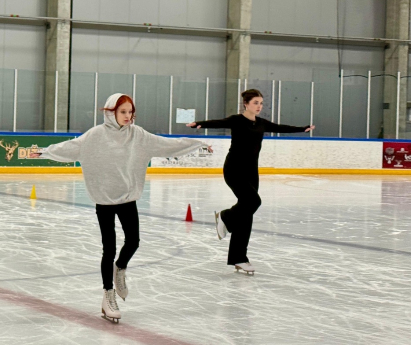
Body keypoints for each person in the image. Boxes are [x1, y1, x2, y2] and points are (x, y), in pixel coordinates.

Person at [32, 93, 209, 322]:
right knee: (109, 248)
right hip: (104, 201)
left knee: (133, 241)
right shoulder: (95, 136)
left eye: (130, 112)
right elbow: (71, 147)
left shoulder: (138, 135)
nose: (128, 116)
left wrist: (197, 143)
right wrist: (46, 152)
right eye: (123, 111)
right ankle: (108, 295)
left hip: (127, 199)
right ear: (110, 112)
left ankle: (120, 268)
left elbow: (167, 145)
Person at [187, 89, 314, 275]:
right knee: (254, 202)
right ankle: (225, 217)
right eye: (256, 103)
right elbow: (218, 122)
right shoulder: (237, 120)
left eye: (261, 103)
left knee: (247, 214)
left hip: (251, 172)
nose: (259, 106)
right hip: (234, 169)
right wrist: (199, 124)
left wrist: (302, 129)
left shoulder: (261, 123)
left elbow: (280, 128)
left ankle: (239, 258)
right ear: (246, 104)